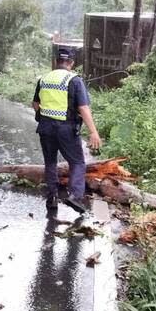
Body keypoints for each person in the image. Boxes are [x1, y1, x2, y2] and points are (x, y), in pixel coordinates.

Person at [32, 46, 101, 213]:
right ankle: (75, 196)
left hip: (46, 128)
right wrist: (93, 132)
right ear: (71, 63)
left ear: (57, 62)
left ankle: (52, 197)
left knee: (50, 162)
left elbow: (35, 104)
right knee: (77, 162)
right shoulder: (75, 80)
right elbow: (83, 108)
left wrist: (43, 115)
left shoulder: (44, 79)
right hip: (66, 129)